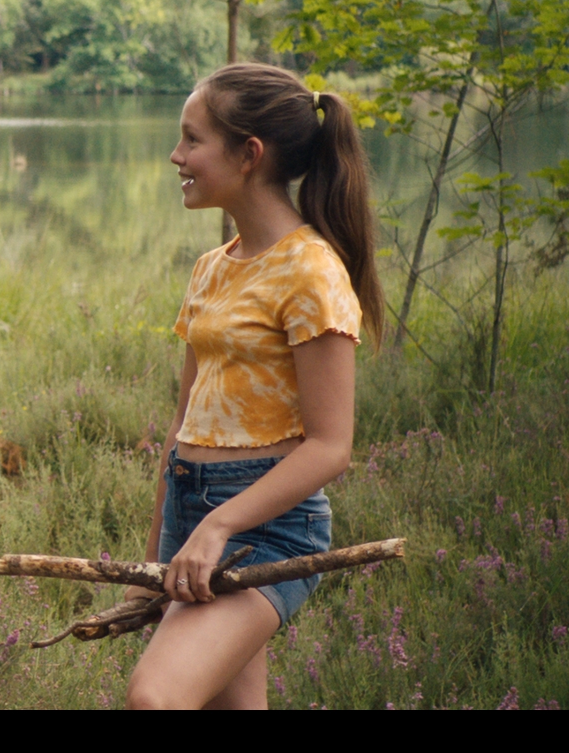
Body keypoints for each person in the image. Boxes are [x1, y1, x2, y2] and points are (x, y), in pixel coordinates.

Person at [127, 62, 383, 710]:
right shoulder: (212, 268)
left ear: (249, 155)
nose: (176, 155)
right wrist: (157, 552)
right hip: (192, 510)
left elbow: (331, 447)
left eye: (192, 139)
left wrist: (219, 526)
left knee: (155, 697)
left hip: (266, 528)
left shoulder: (312, 272)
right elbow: (184, 422)